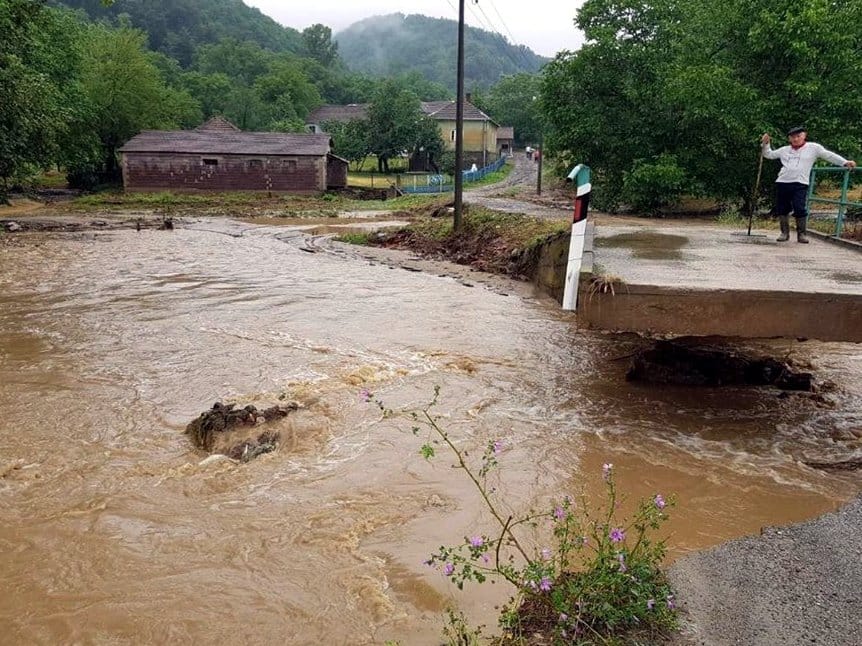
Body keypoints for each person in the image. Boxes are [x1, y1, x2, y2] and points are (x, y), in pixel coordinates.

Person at [761, 127, 856, 243]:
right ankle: (784, 233)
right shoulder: (784, 150)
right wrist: (766, 144)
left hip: (800, 182)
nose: (795, 139)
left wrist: (844, 162)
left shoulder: (813, 148)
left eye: (798, 136)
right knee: (782, 208)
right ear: (789, 138)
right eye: (792, 137)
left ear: (804, 136)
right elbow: (769, 154)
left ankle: (801, 234)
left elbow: (829, 155)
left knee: (799, 207)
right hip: (783, 181)